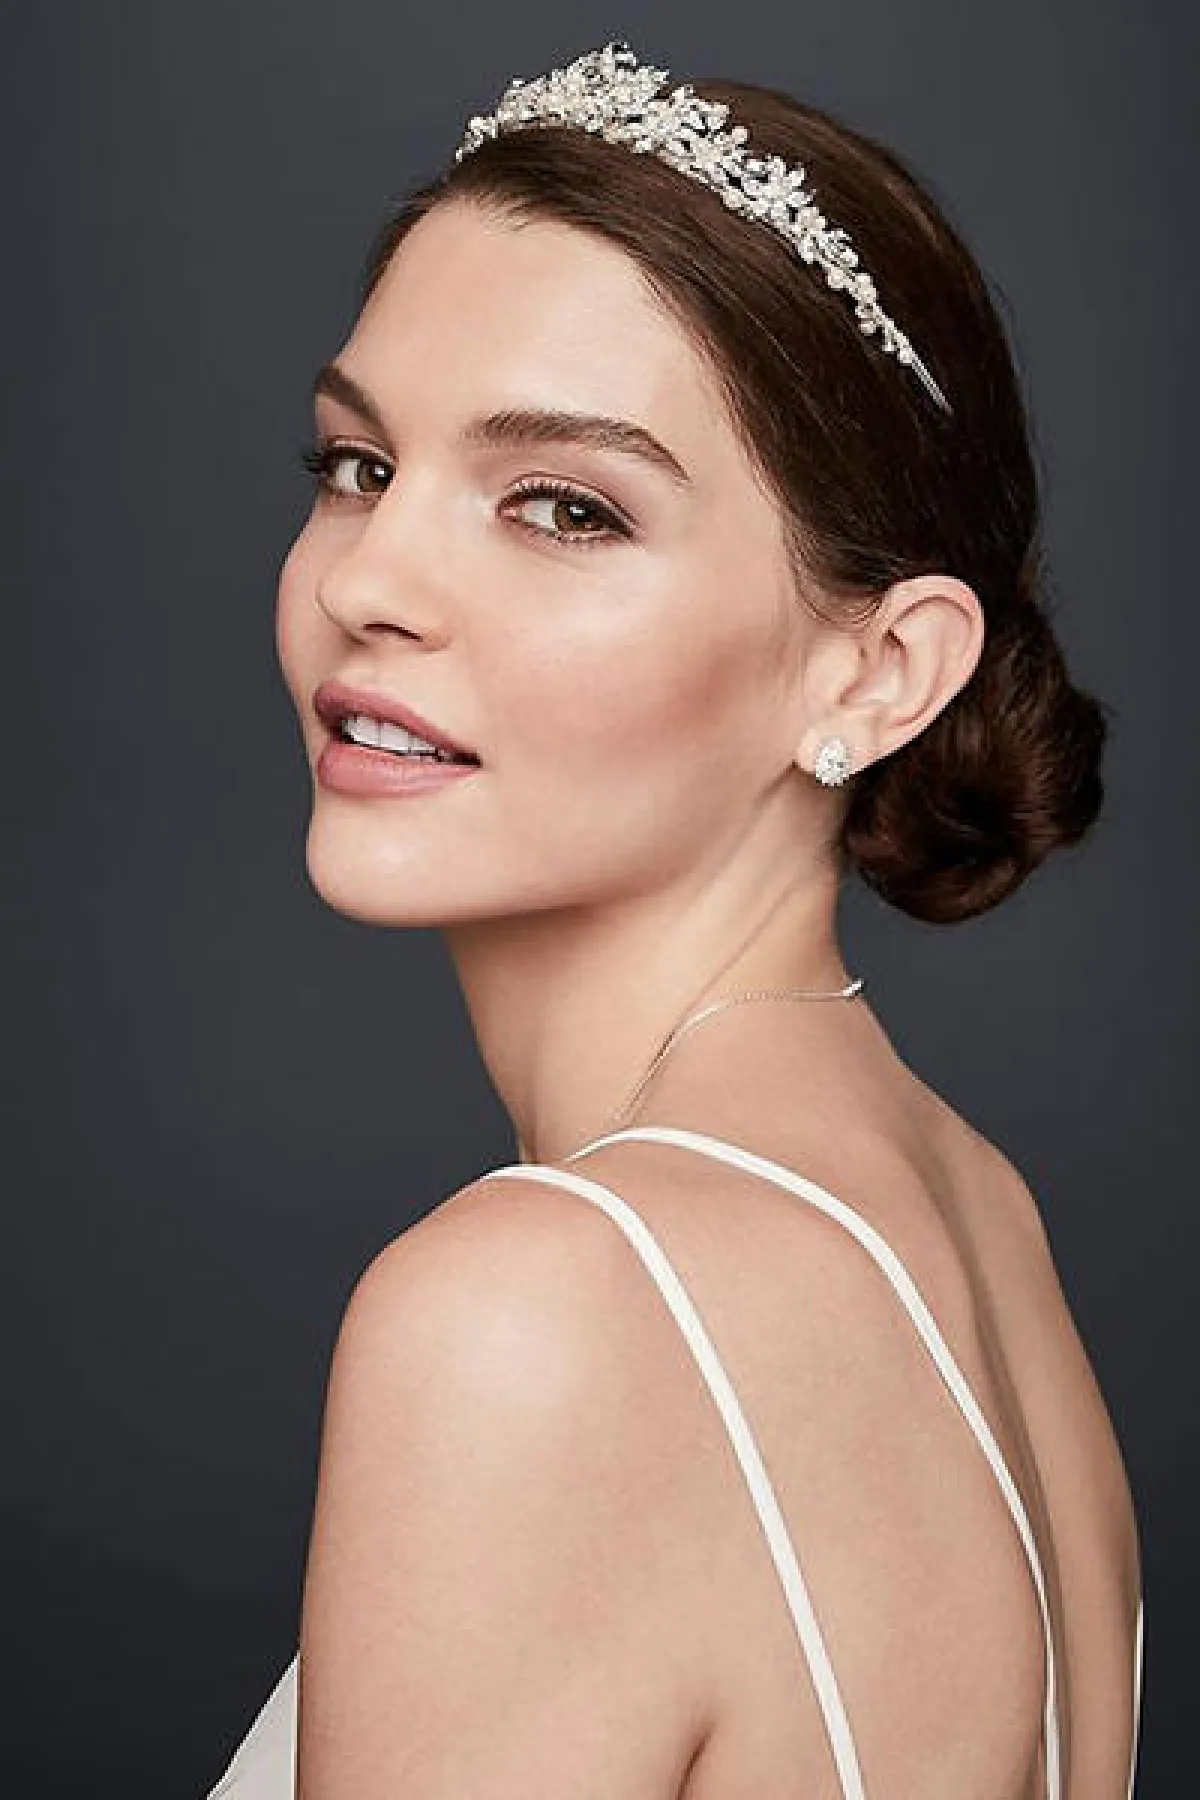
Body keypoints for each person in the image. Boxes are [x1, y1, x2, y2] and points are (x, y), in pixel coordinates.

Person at [205, 40, 1144, 1800]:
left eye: (566, 506)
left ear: (878, 670)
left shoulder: (535, 1314)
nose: (369, 580)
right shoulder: (973, 1214)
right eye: (358, 465)